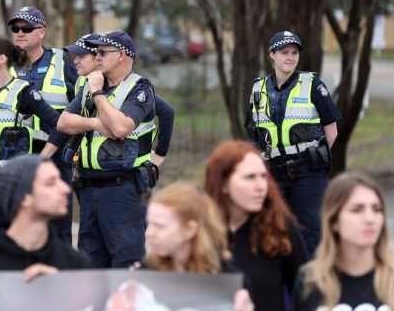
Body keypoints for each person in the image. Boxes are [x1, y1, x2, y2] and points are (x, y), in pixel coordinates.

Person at [57, 30, 157, 268]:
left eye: (102, 52)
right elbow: (63, 123)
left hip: (122, 190)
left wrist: (99, 94)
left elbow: (121, 128)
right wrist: (95, 123)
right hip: (89, 190)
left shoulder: (139, 88)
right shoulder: (89, 85)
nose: (97, 57)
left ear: (121, 55)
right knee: (89, 264)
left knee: (125, 262)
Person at [0, 155, 91, 311]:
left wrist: (60, 291)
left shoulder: (76, 264)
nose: (65, 189)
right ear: (24, 197)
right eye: (50, 183)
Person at [245, 30, 341, 253]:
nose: (290, 57)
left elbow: (332, 131)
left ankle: (311, 283)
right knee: (274, 231)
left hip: (308, 173)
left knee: (311, 233)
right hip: (273, 173)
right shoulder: (258, 89)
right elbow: (252, 133)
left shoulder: (313, 85)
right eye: (284, 52)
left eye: (294, 53)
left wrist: (314, 156)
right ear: (272, 55)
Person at [0, 35, 64, 239]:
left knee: (12, 244)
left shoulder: (23, 91)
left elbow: (60, 127)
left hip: (10, 183)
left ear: (2, 59)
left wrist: (39, 161)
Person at [293, 172, 394, 311]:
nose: (370, 219)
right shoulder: (309, 283)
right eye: (357, 210)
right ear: (333, 221)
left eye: (376, 209)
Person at [204, 140, 308, 311]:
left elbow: (306, 292)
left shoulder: (279, 225)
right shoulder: (200, 229)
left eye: (263, 176)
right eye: (250, 177)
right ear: (223, 184)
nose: (261, 187)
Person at [8, 6, 78, 244]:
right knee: (20, 226)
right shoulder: (6, 64)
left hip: (56, 156)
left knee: (58, 229)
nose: (19, 33)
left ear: (42, 32)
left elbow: (79, 105)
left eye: (26, 28)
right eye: (15, 28)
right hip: (18, 157)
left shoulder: (61, 61)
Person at [62, 33, 174, 173]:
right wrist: (94, 123)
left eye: (82, 56)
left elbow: (166, 111)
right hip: (89, 179)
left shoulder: (135, 88)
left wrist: (160, 154)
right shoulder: (85, 84)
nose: (75, 61)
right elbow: (62, 123)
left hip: (123, 179)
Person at [138, 182, 253, 311]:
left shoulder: (229, 283)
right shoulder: (144, 275)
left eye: (159, 226)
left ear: (189, 230)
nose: (148, 233)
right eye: (150, 224)